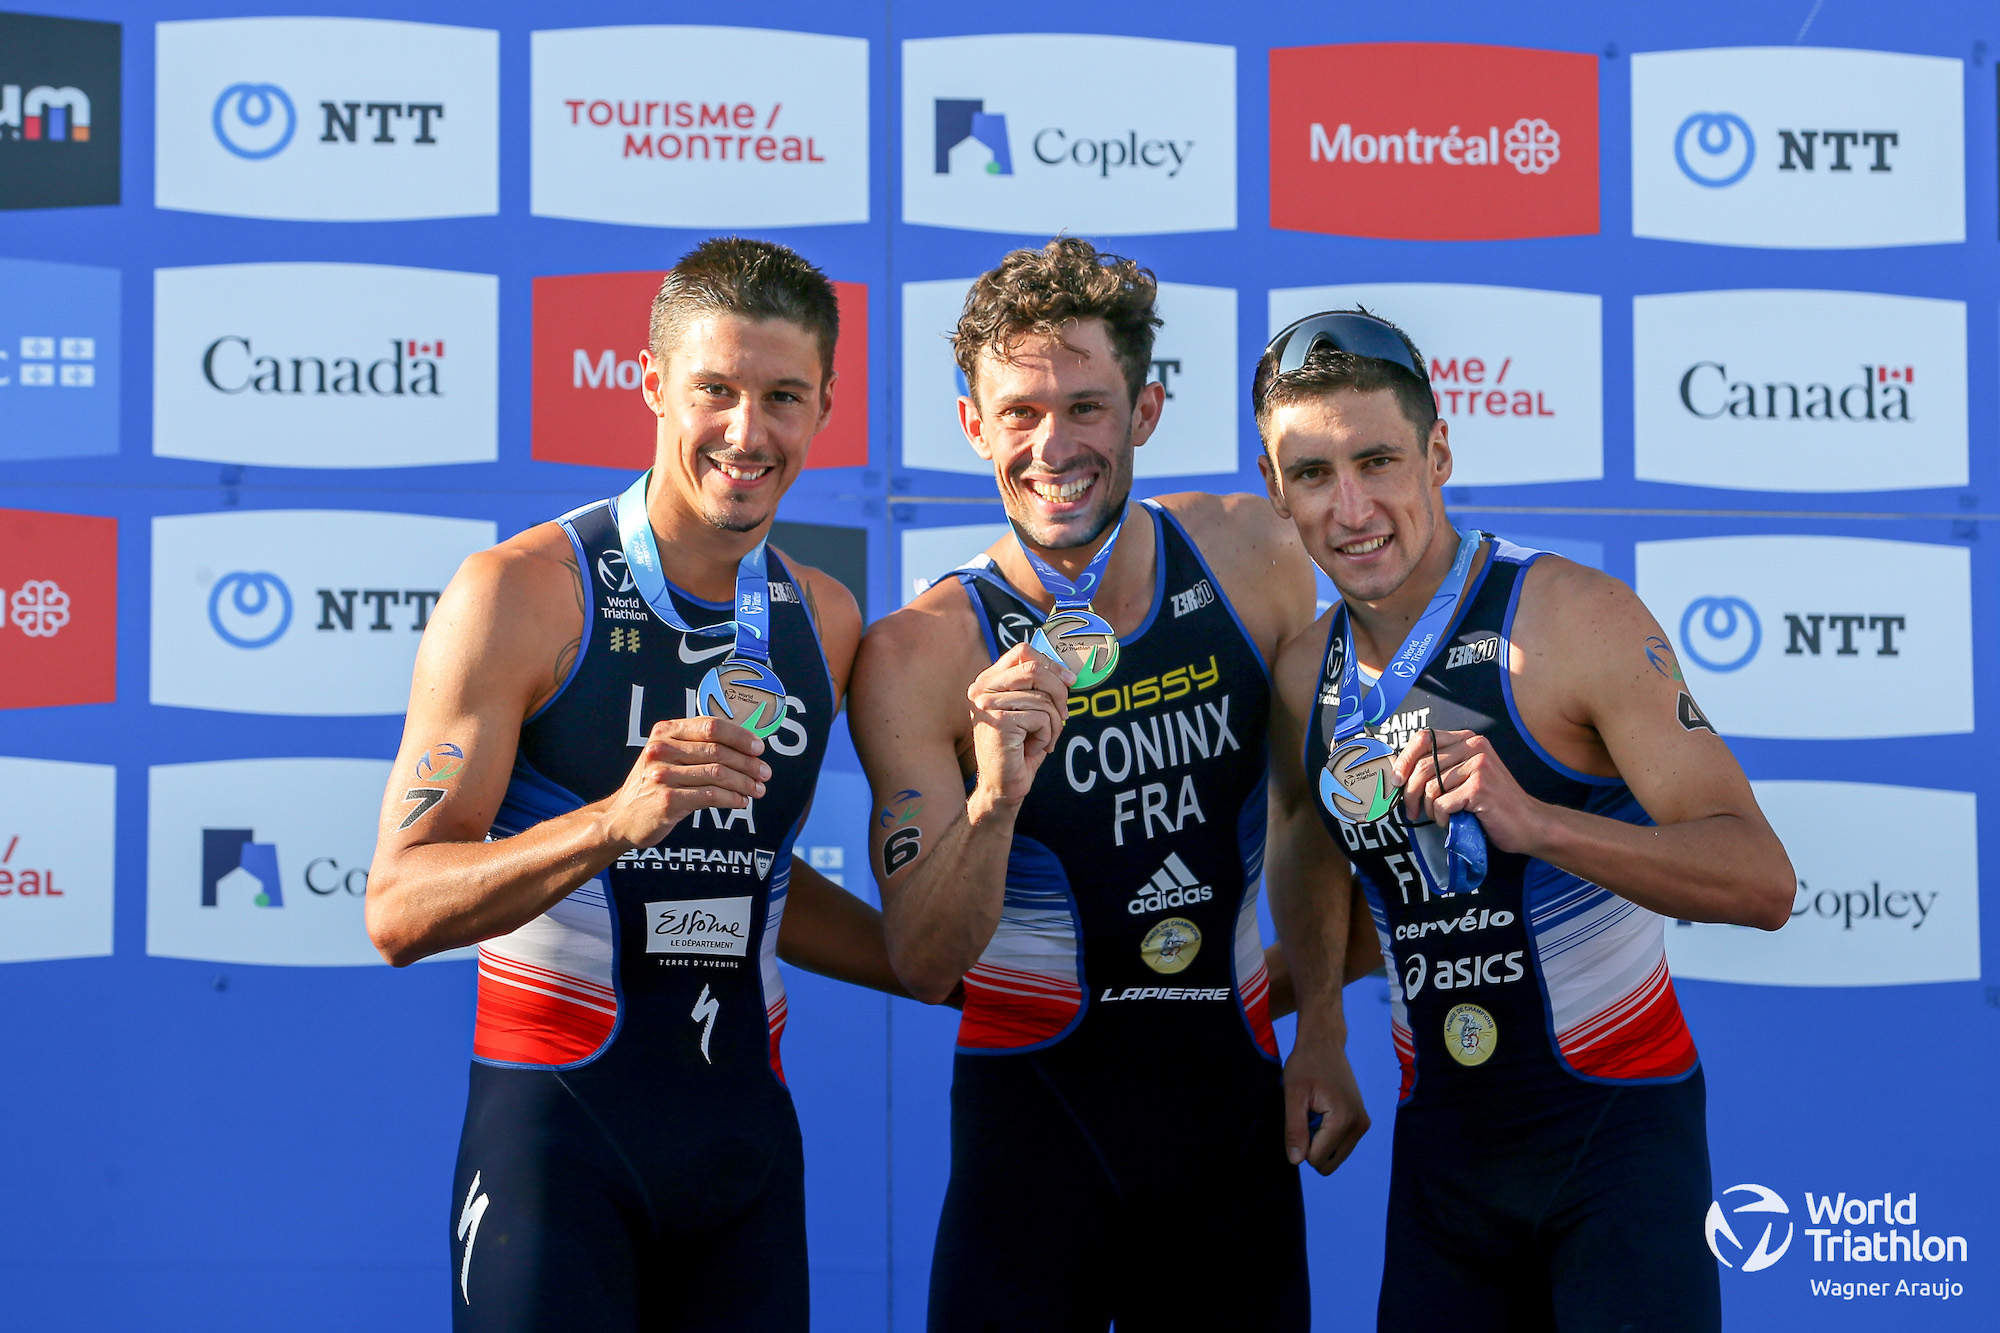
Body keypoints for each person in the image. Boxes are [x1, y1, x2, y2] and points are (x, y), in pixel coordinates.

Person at [365, 238, 912, 1332]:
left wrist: (957, 964)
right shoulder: (520, 592)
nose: (746, 433)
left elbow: (757, 883)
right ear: (653, 383)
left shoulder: (826, 618)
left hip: (744, 1152)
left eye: (782, 396)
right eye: (715, 389)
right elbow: (397, 907)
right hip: (557, 1139)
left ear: (825, 406)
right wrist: (612, 822)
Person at [849, 238, 1368, 1332]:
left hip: (1232, 1128)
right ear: (971, 426)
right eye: (1020, 412)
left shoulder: (1254, 550)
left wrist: (1318, 1020)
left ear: (1144, 412)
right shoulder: (920, 653)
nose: (1053, 447)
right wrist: (993, 799)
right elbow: (922, 955)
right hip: (1030, 1147)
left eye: (1086, 407)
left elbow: (1301, 811)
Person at [1257, 309, 1795, 1332]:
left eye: (1377, 460)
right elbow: (1303, 832)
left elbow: (1760, 879)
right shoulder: (1305, 672)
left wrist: (1539, 823)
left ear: (1438, 452)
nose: (1353, 506)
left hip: (1613, 1141)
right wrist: (1319, 1025)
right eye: (1314, 473)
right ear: (1274, 486)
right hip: (1442, 1170)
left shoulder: (1569, 621)